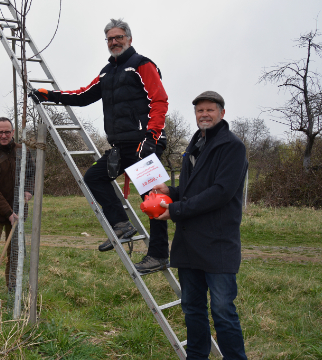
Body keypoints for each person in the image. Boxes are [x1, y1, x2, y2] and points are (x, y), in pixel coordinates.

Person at [30, 18, 169, 273]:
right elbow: (83, 96)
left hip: (143, 145)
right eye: (109, 39)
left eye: (118, 37)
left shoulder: (142, 65)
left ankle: (159, 255)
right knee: (93, 177)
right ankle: (122, 225)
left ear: (129, 38)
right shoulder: (107, 72)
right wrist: (48, 95)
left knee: (153, 200)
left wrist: (152, 138)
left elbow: (159, 101)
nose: (114, 42)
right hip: (119, 147)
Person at [152, 91, 248, 359]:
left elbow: (220, 192)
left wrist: (176, 209)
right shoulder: (194, 145)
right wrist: (171, 192)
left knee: (222, 312)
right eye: (199, 111)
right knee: (192, 309)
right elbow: (194, 189)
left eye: (209, 110)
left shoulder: (232, 147)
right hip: (188, 245)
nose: (204, 114)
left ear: (222, 113)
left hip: (218, 244)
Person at [0, 117, 33, 294]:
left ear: (13, 132)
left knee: (15, 254)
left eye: (7, 131)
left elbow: (31, 173)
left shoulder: (22, 151)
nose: (4, 135)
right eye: (0, 132)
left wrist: (29, 190)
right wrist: (8, 212)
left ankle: (13, 290)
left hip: (18, 211)